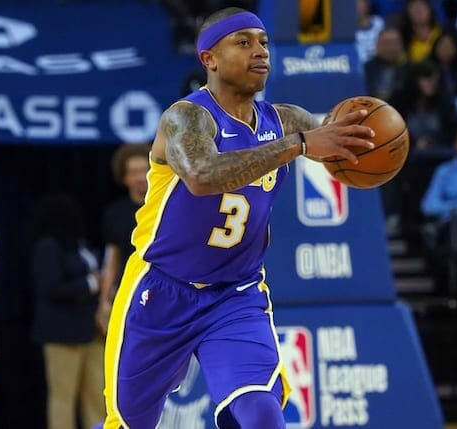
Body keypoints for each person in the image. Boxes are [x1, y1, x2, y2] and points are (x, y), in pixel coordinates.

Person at [101, 7, 376, 429]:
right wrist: (299, 144)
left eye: (264, 42)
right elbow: (202, 175)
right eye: (243, 42)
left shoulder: (285, 120)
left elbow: (334, 139)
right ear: (208, 58)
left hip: (235, 293)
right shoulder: (186, 118)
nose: (260, 51)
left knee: (261, 413)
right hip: (161, 290)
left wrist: (371, 142)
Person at [31, 194, 105, 429]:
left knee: (97, 396)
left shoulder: (81, 244)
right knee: (63, 399)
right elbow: (51, 287)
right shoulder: (48, 246)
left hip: (92, 331)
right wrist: (90, 284)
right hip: (62, 334)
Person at [97, 144, 150, 334]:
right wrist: (104, 300)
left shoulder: (168, 207)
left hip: (166, 290)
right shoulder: (115, 213)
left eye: (144, 170)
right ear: (124, 177)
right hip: (129, 290)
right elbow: (112, 258)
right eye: (133, 173)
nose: (140, 177)